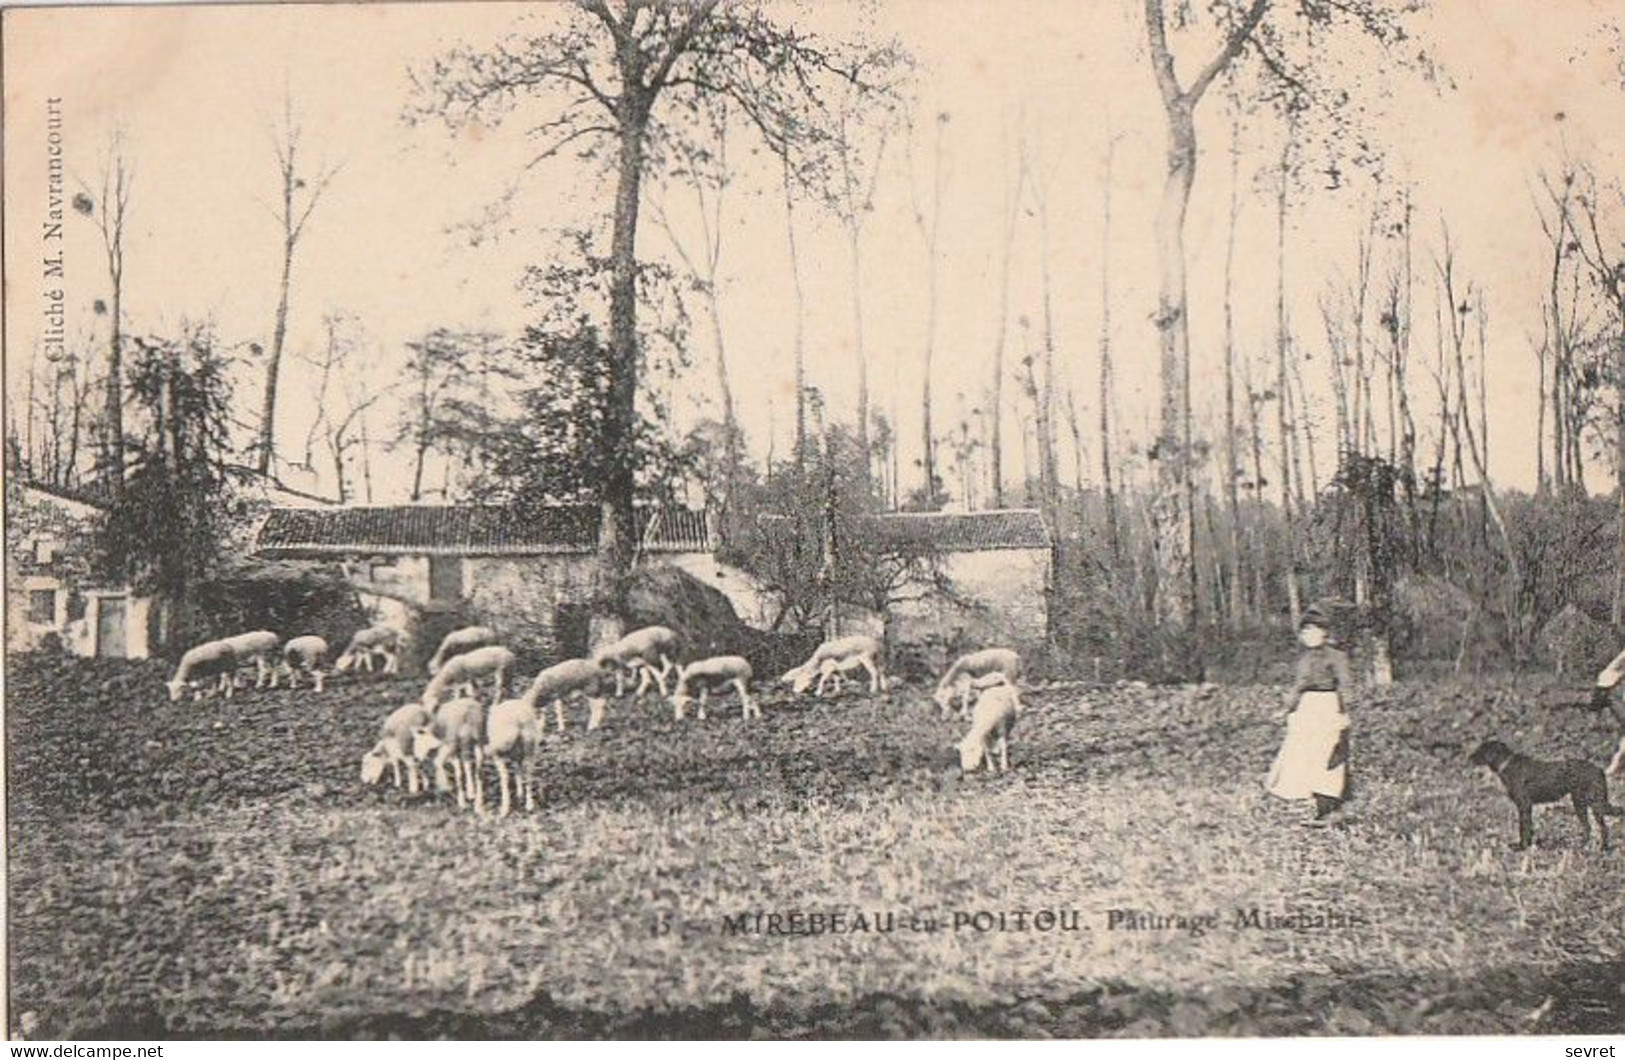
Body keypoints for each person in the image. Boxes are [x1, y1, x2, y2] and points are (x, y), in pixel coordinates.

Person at [1267, 604, 1354, 823]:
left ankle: (1332, 809)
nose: (1309, 635)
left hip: (1329, 706)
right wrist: (1286, 709)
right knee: (1308, 756)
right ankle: (1318, 808)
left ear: (1324, 632)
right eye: (1305, 631)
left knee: (1330, 756)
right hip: (1308, 709)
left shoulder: (1336, 656)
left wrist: (1344, 712)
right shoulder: (1304, 660)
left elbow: (1345, 685)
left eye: (1314, 630)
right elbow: (1298, 686)